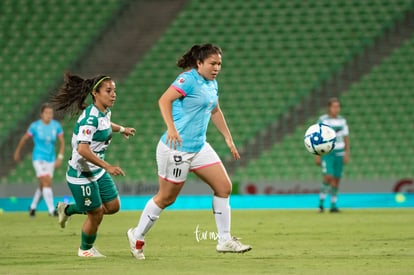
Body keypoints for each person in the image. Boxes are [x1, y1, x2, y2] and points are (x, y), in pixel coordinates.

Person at [127, 44, 252, 260]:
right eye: (213, 63)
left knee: (224, 187)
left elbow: (215, 110)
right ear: (199, 63)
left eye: (219, 64)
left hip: (199, 146)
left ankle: (224, 240)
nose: (217, 68)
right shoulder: (188, 80)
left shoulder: (212, 83)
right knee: (166, 198)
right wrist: (172, 129)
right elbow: (164, 100)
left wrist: (228, 138)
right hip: (176, 149)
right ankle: (137, 235)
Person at [51, 73, 136, 257]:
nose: (113, 94)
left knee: (113, 206)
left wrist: (122, 129)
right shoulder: (90, 118)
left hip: (95, 170)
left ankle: (67, 208)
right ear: (95, 93)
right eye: (108, 91)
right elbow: (82, 150)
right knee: (96, 213)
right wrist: (108, 166)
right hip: (81, 173)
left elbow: (105, 124)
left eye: (114, 91)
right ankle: (85, 249)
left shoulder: (104, 111)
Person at [14, 103, 65, 217]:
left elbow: (62, 142)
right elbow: (25, 138)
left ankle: (32, 207)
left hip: (50, 159)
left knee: (43, 185)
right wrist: (18, 151)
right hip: (38, 157)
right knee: (46, 181)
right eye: (46, 113)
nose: (49, 115)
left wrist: (60, 157)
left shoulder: (56, 126)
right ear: (41, 114)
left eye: (51, 113)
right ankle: (52, 210)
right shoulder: (35, 126)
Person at [316, 97, 350, 213]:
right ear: (329, 108)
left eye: (338, 106)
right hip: (327, 152)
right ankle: (321, 203)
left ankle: (333, 205)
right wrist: (317, 154)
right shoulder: (323, 120)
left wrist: (346, 153)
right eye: (334, 106)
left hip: (340, 152)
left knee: (337, 179)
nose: (336, 109)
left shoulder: (342, 121)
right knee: (328, 176)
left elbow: (346, 138)